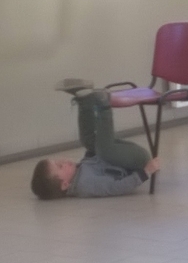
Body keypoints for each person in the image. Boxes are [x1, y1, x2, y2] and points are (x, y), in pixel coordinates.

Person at [31, 79, 160, 199]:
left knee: (88, 141)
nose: (63, 161)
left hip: (120, 158)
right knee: (105, 150)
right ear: (64, 184)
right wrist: (146, 172)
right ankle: (104, 105)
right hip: (138, 163)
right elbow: (117, 187)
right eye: (60, 166)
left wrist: (93, 150)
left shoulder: (78, 175)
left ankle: (84, 101)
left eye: (58, 161)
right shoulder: (86, 185)